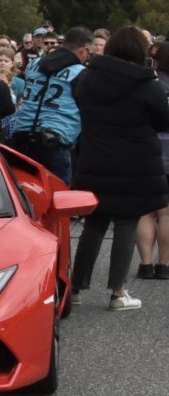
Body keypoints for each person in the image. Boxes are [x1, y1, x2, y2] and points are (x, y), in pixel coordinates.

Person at [67, 26, 169, 311]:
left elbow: (79, 102)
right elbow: (163, 121)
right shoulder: (147, 85)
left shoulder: (87, 78)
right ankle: (118, 292)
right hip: (135, 163)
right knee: (126, 223)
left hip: (94, 158)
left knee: (94, 224)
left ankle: (76, 287)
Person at [9, 26, 93, 183]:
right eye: (89, 53)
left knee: (23, 192)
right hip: (55, 140)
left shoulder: (34, 64)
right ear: (83, 51)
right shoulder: (81, 73)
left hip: (21, 134)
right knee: (58, 198)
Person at [141, 44, 169, 280]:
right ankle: (164, 264)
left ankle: (145, 264)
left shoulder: (147, 83)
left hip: (147, 151)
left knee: (146, 211)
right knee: (167, 213)